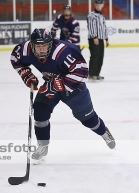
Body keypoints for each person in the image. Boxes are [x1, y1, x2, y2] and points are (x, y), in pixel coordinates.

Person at [10, 28, 115, 165]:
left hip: (74, 88)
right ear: (32, 44)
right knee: (40, 111)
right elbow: (15, 59)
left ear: (50, 43)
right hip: (50, 84)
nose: (41, 50)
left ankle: (103, 132)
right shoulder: (25, 49)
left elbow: (82, 72)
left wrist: (56, 85)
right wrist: (26, 74)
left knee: (88, 119)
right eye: (38, 46)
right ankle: (42, 147)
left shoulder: (64, 51)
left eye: (44, 46)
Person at [87, 0, 109, 81]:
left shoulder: (102, 16)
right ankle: (92, 74)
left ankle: (97, 73)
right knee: (94, 56)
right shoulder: (91, 15)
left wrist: (106, 39)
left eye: (100, 5)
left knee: (100, 57)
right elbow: (91, 27)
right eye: (97, 5)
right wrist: (94, 37)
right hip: (94, 39)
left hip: (101, 39)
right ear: (94, 5)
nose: (98, 6)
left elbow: (104, 28)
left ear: (102, 5)